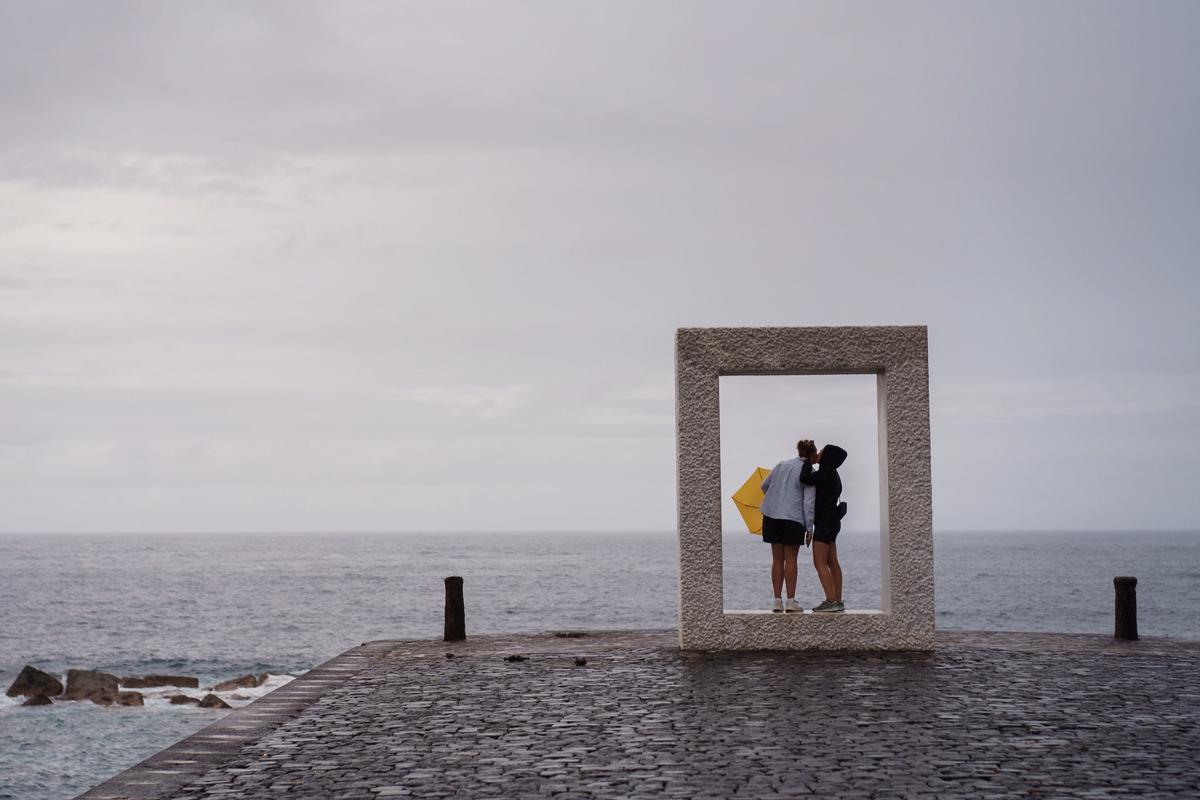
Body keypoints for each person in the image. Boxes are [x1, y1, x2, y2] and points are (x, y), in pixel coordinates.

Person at [759, 439, 817, 613]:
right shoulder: (809, 471)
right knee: (791, 559)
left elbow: (764, 485)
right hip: (793, 517)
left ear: (799, 451)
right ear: (812, 454)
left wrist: (777, 497)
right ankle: (791, 601)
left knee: (777, 559)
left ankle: (777, 601)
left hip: (772, 515)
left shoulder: (781, 465)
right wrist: (809, 527)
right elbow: (808, 502)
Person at [800, 444, 848, 613]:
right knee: (832, 562)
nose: (818, 453)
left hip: (824, 523)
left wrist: (807, 461)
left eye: (821, 451)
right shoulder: (834, 474)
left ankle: (830, 600)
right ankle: (838, 599)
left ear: (827, 456)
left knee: (819, 562)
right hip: (834, 522)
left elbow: (805, 478)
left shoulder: (825, 473)